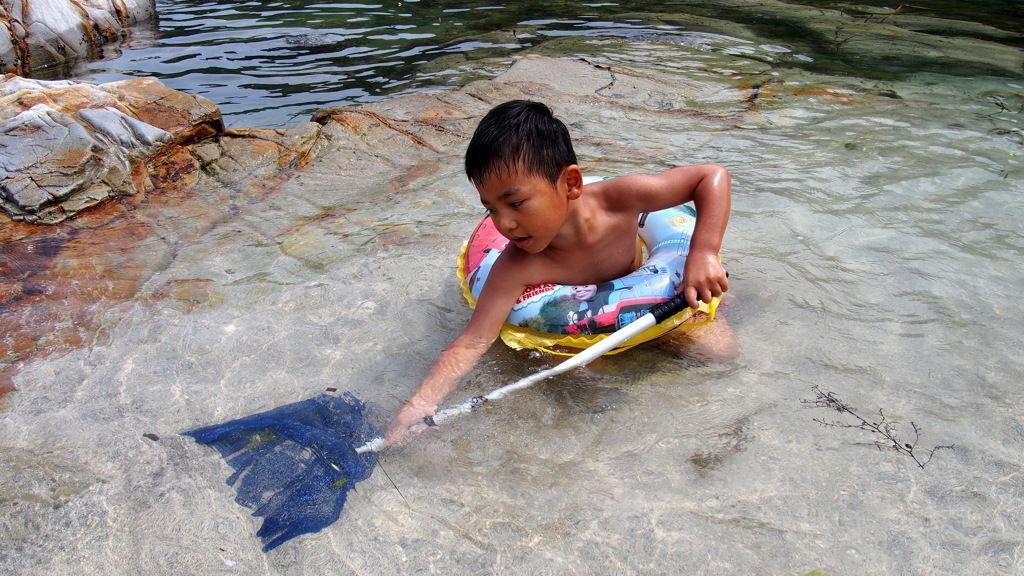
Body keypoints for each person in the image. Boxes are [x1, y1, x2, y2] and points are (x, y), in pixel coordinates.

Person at [386, 100, 732, 444]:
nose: (504, 223)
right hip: (577, 340)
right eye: (490, 208)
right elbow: (474, 340)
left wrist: (703, 252)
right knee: (584, 391)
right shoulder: (518, 264)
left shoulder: (620, 199)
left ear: (570, 184)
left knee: (723, 357)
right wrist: (420, 404)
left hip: (660, 307)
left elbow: (711, 176)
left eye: (516, 203)